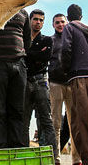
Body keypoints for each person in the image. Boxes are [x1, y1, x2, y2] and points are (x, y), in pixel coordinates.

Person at [59, 4, 88, 165]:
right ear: (81, 16)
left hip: (79, 77)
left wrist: (65, 70)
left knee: (82, 121)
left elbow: (66, 49)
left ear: (68, 17)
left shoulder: (69, 28)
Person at [0, 9, 30, 149]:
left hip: (19, 64)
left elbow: (27, 39)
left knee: (17, 110)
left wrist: (19, 54)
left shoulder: (24, 13)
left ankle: (16, 148)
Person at [23, 9, 57, 155]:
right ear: (30, 20)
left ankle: (50, 154)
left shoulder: (47, 40)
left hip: (41, 80)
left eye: (41, 20)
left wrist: (27, 53)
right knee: (23, 119)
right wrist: (36, 54)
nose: (38, 22)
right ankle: (24, 152)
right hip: (24, 81)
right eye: (36, 19)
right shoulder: (23, 38)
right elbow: (26, 56)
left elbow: (45, 57)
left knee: (45, 118)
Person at [49, 13, 80, 165]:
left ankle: (77, 158)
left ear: (67, 23)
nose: (60, 24)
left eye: (62, 22)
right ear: (53, 25)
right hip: (55, 84)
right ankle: (56, 158)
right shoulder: (51, 40)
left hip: (71, 84)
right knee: (55, 123)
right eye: (57, 22)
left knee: (74, 122)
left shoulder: (74, 40)